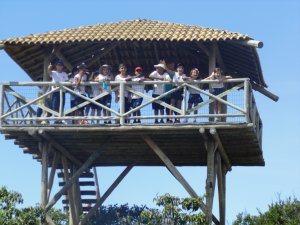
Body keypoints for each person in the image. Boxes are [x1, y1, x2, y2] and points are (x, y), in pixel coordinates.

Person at [47, 59, 69, 124]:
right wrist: (49, 67)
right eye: (58, 65)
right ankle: (57, 120)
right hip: (55, 92)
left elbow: (67, 82)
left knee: (61, 106)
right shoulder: (54, 72)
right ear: (56, 66)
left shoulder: (64, 74)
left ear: (62, 66)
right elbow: (49, 71)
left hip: (62, 92)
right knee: (55, 106)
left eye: (60, 65)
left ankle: (60, 120)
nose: (59, 66)